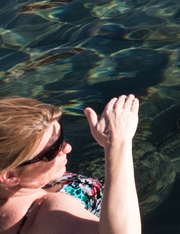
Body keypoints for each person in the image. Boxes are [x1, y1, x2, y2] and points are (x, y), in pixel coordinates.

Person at [0, 95, 141, 234]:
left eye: (61, 136)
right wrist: (117, 142)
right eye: (53, 151)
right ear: (10, 176)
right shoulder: (50, 213)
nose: (67, 148)